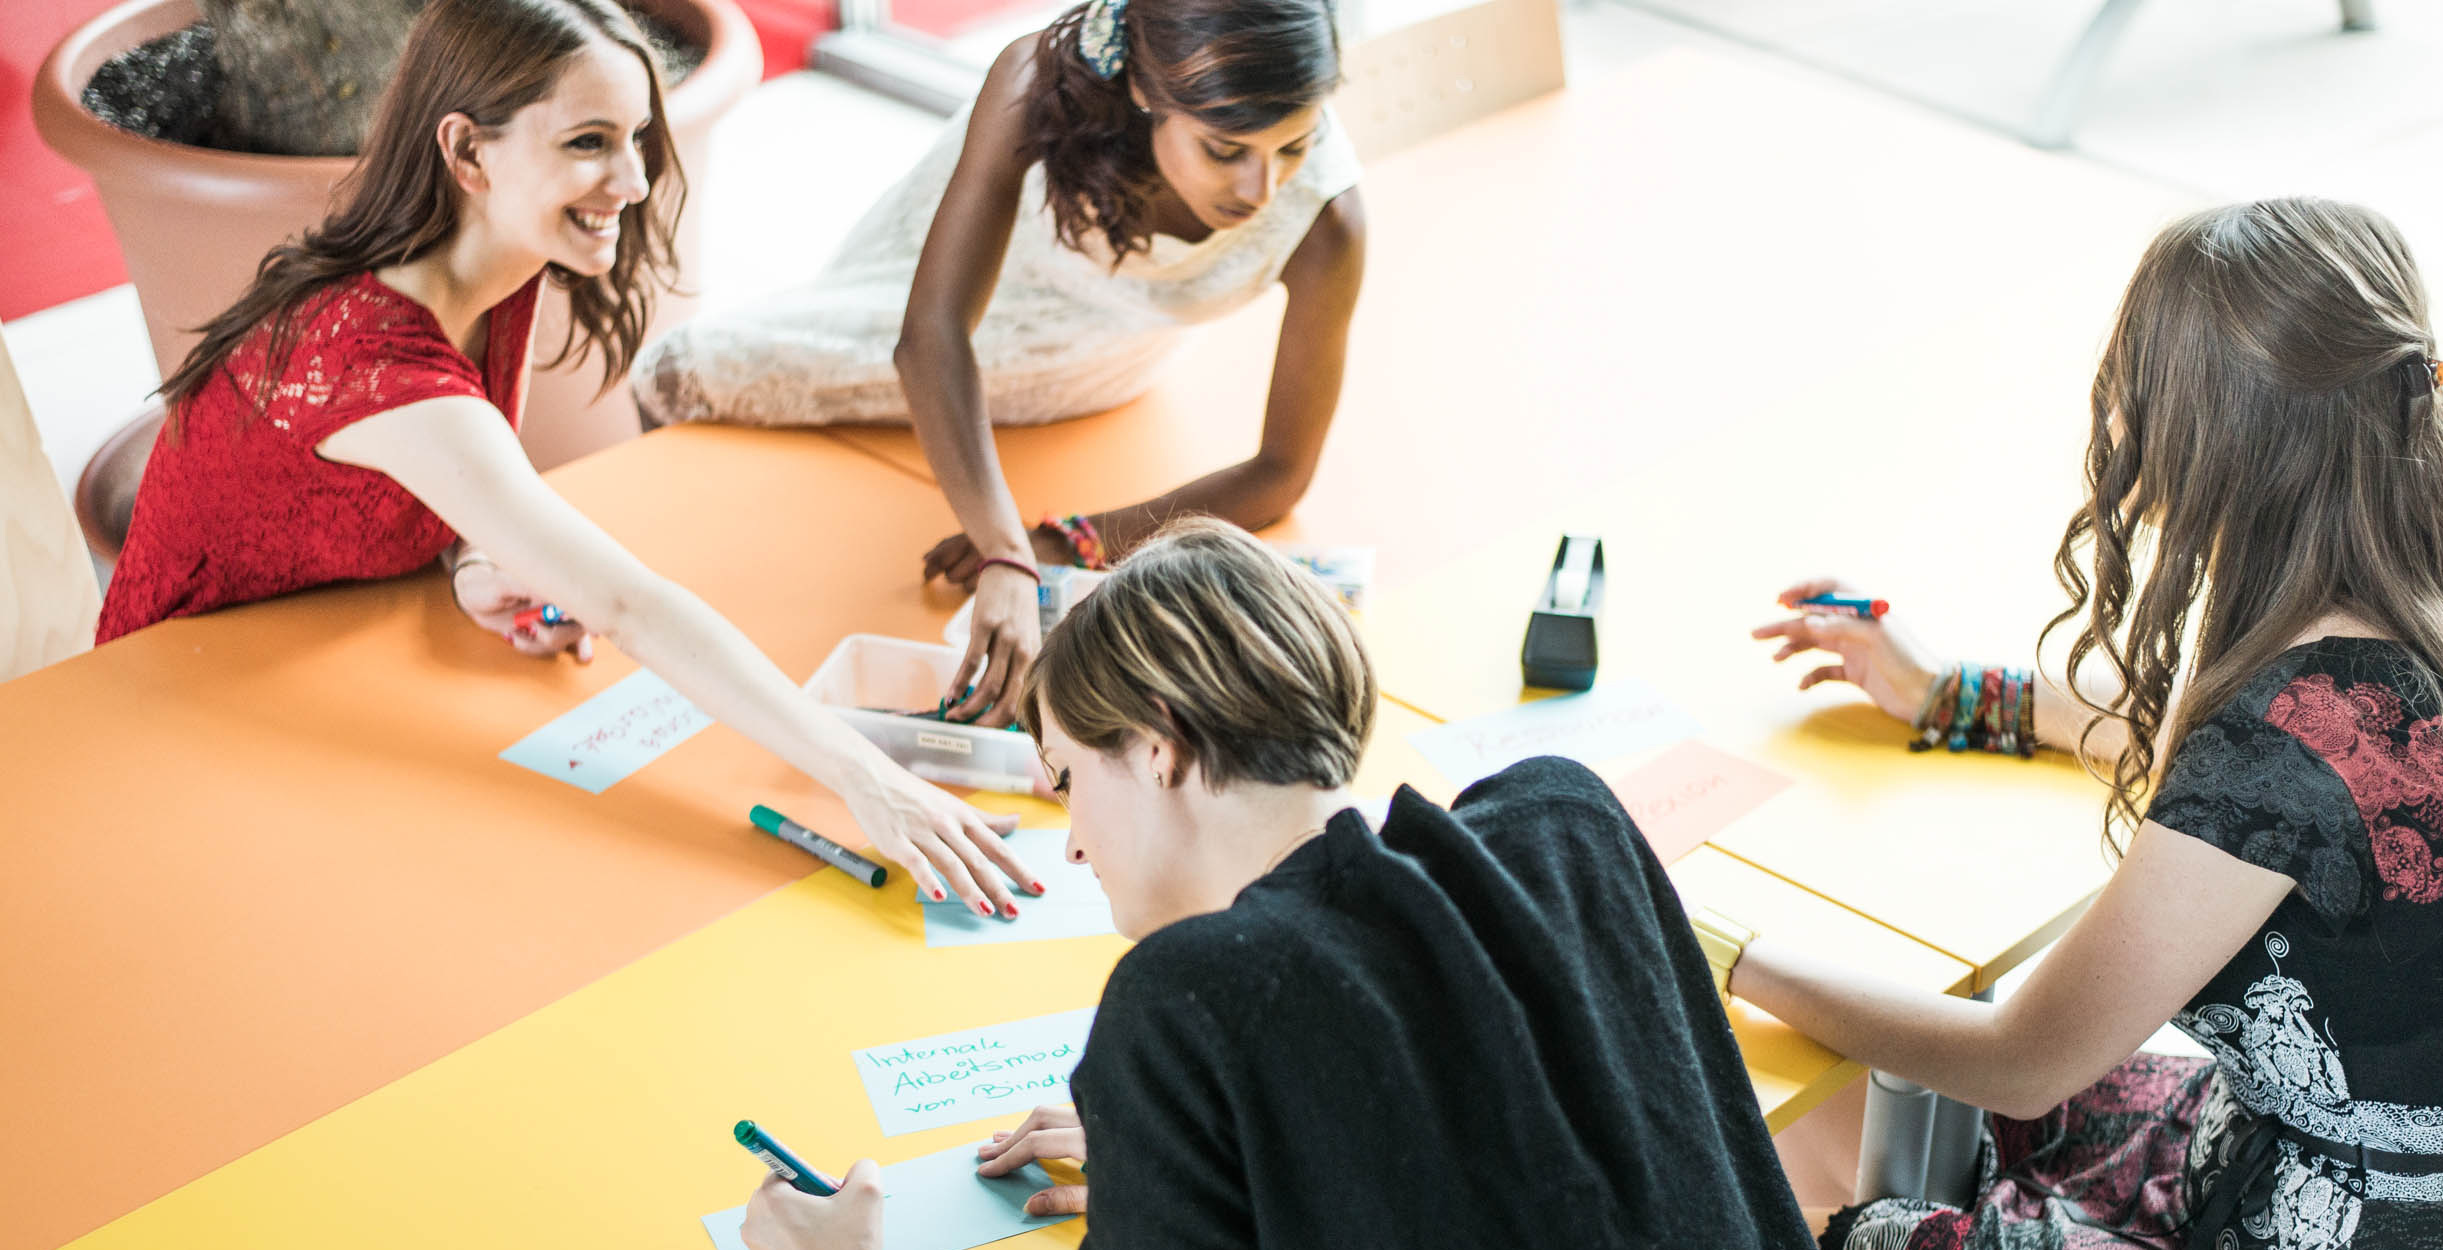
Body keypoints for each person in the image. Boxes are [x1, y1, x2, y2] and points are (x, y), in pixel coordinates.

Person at [96, 0, 1034, 915]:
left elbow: (370, 477)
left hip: (317, 657)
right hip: (174, 709)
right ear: (467, 152)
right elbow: (628, 604)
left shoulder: (487, 266)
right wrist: (869, 780)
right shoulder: (374, 357)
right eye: (587, 143)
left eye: (635, 137)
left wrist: (465, 551)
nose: (631, 180)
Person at [732, 518, 1816, 1250]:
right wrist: (1190, 1175)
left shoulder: (1188, 997)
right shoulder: (1564, 818)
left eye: (1066, 780)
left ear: (1157, 746)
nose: (1069, 846)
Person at [1746, 199, 2443, 1249]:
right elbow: (2272, 804)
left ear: (2206, 439)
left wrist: (1723, 952)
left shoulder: (2278, 750)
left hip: (2322, 1214)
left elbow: (2021, 1052)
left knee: (1847, 1202)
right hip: (2365, 1174)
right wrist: (1959, 693)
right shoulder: (2437, 616)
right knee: (1914, 1113)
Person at [632, 0, 1366, 730]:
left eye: (1295, 146)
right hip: (966, 296)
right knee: (680, 370)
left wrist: (1066, 540)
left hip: (1113, 351)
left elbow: (1281, 474)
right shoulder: (1035, 82)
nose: (1261, 191)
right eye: (1226, 150)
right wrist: (1004, 552)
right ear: (1144, 89)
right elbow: (932, 333)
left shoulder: (1326, 219)